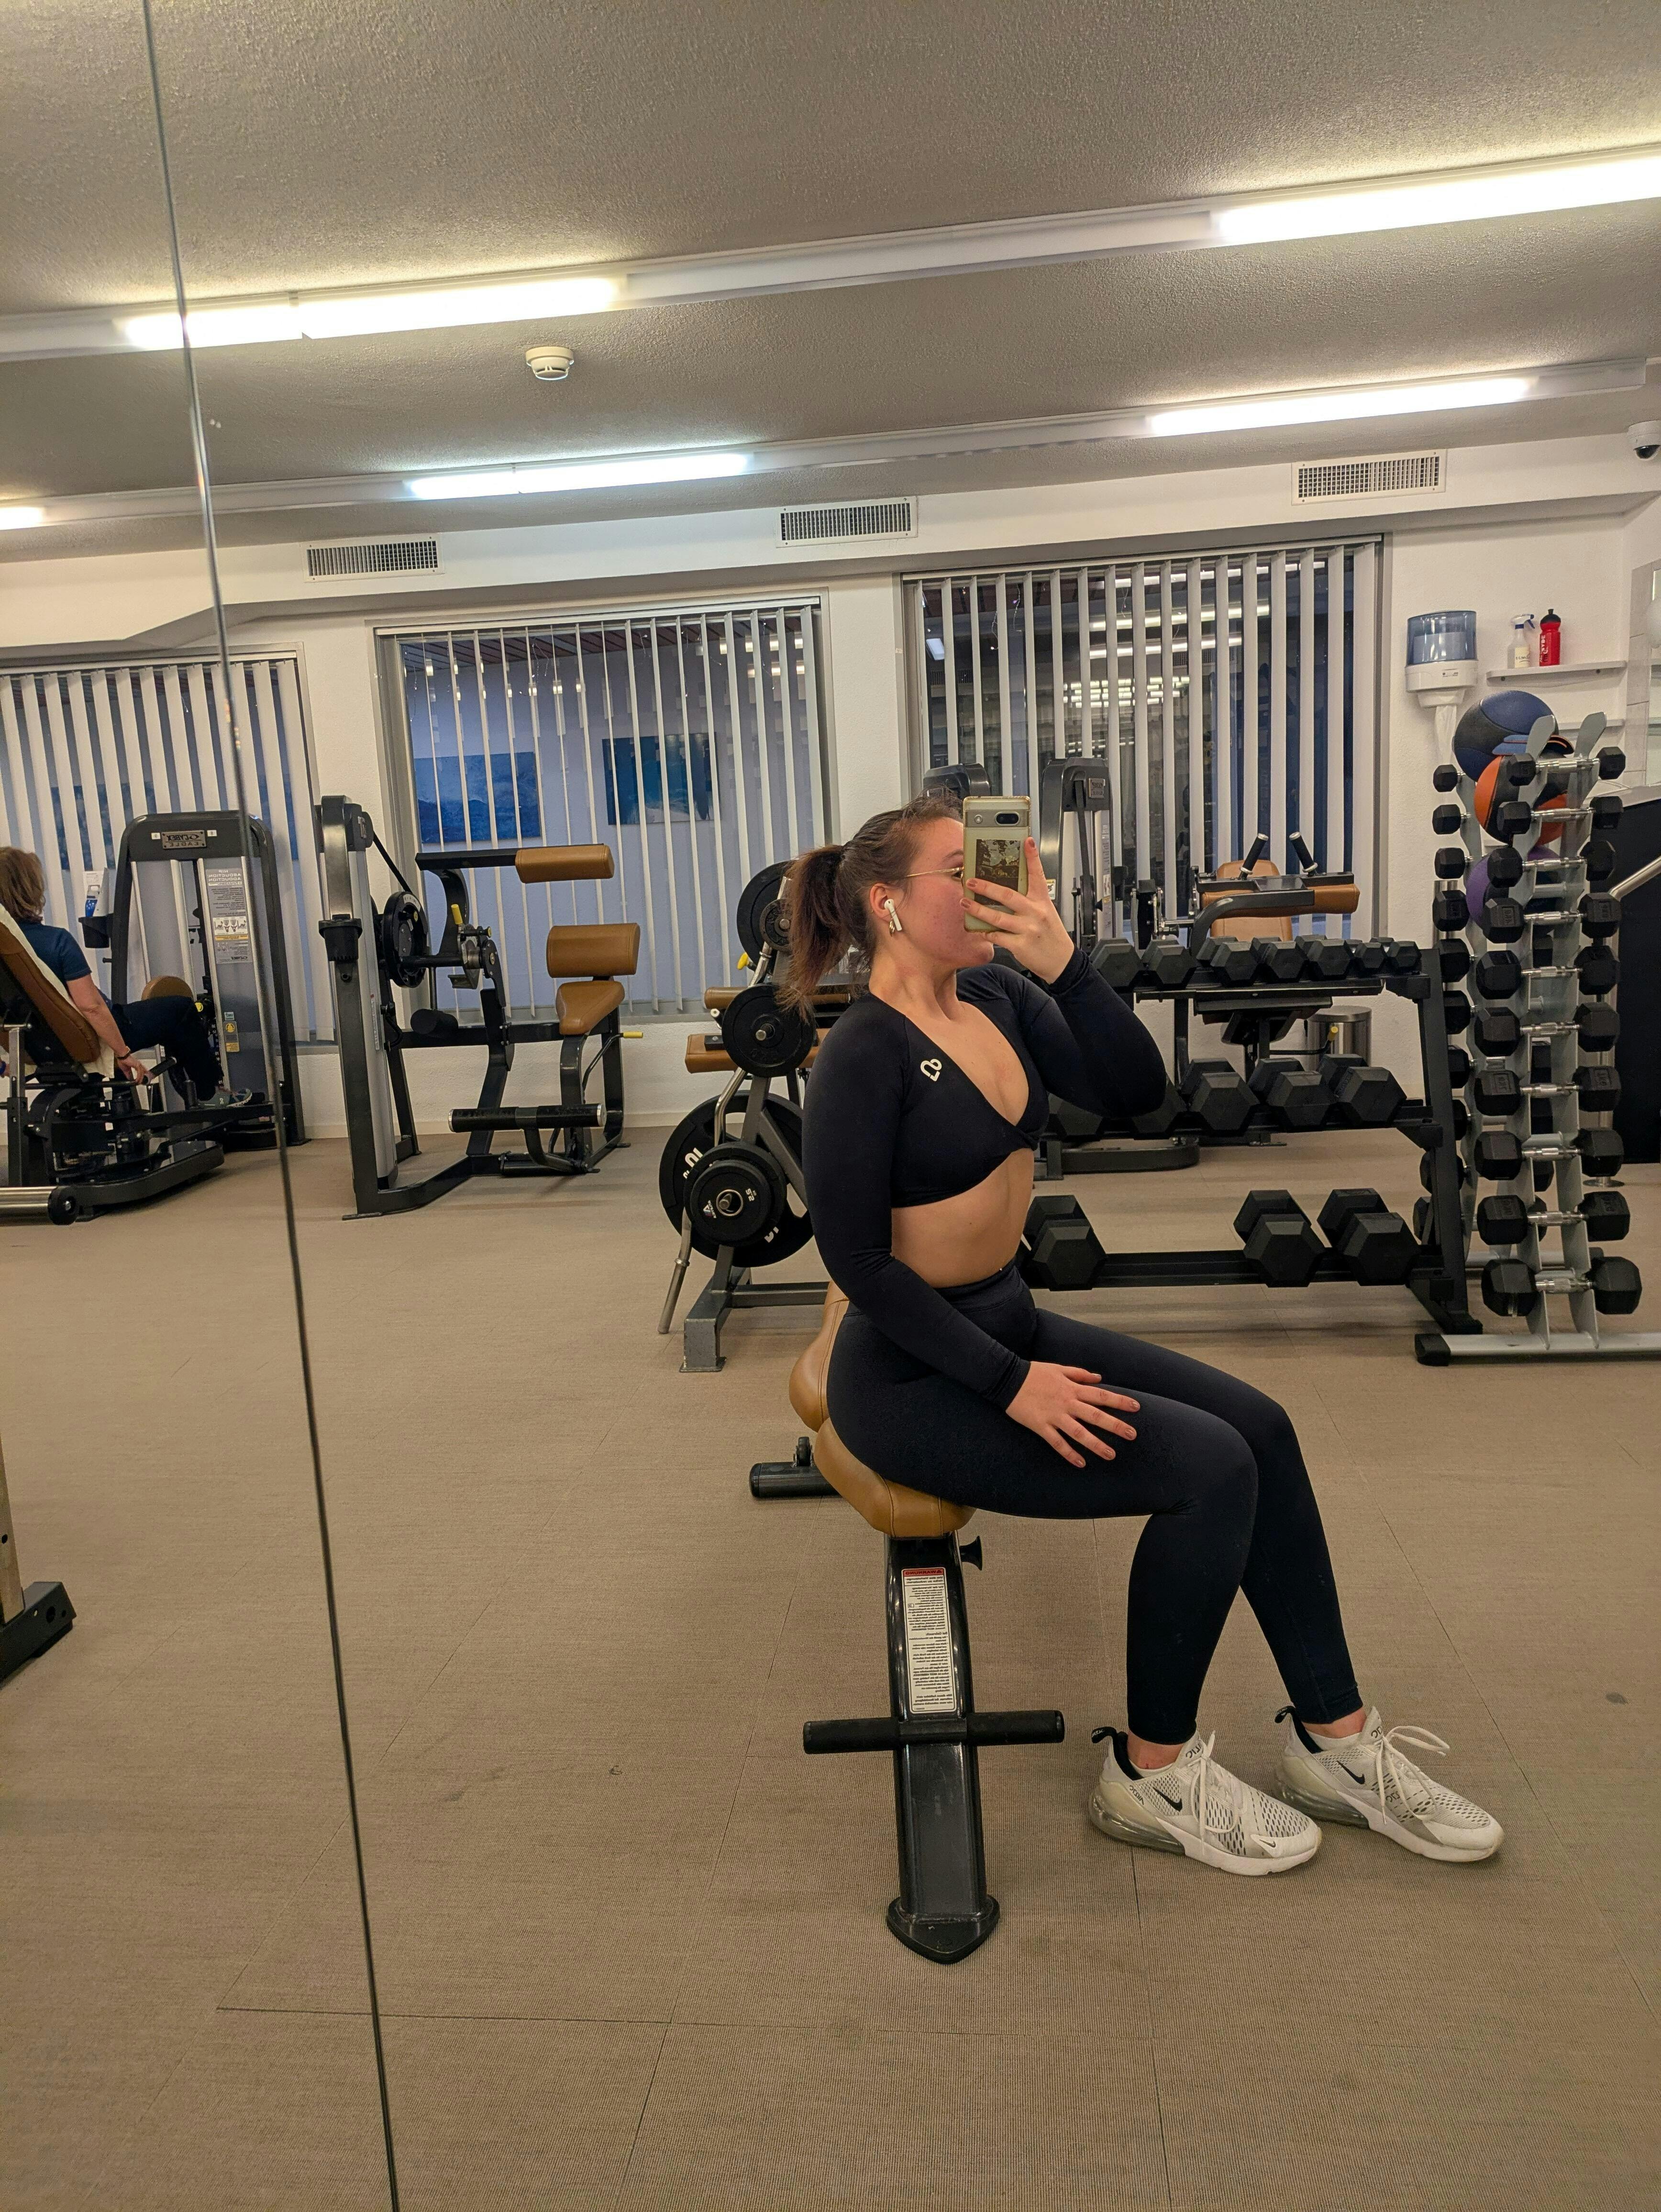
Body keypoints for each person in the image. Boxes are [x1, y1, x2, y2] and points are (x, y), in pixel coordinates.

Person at [789, 795, 1501, 1877]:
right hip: (911, 1377)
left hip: (1006, 1320)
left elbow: (1136, 1092)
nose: (990, 884)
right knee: (1208, 1469)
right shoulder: (861, 1052)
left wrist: (1065, 962)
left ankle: (1337, 1741)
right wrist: (1011, 1382)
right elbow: (859, 1264)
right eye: (960, 868)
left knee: (1262, 1427)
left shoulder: (996, 994)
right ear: (887, 903)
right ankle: (1150, 1772)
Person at [0, 845, 249, 1107]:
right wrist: (122, 1054)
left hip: (34, 1047)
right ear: (30, 890)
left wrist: (4, 1065)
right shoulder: (56, 941)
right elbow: (91, 1007)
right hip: (88, 1037)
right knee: (181, 1009)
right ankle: (210, 1094)